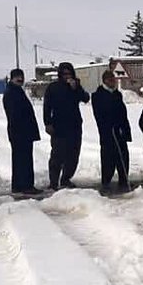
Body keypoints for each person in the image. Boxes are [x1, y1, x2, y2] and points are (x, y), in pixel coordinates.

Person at [43, 61, 89, 189]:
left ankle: (66, 178)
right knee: (57, 155)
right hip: (58, 126)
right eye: (64, 74)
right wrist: (47, 123)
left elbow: (85, 98)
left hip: (74, 125)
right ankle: (53, 182)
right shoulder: (53, 87)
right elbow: (47, 107)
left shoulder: (76, 86)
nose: (67, 76)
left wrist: (76, 88)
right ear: (60, 74)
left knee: (73, 155)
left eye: (69, 73)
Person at [91, 69, 132, 193]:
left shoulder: (117, 94)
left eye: (113, 79)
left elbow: (122, 113)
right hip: (108, 131)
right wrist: (109, 127)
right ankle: (106, 182)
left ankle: (123, 180)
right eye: (110, 80)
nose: (113, 82)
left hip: (120, 130)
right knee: (108, 156)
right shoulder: (98, 95)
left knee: (123, 155)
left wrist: (125, 129)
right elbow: (99, 114)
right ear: (104, 81)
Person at [2, 68, 41, 195]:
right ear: (12, 78)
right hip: (20, 132)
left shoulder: (16, 91)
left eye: (22, 77)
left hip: (21, 131)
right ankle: (25, 185)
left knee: (20, 159)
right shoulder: (12, 93)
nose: (20, 79)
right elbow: (15, 114)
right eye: (17, 77)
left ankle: (18, 185)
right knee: (24, 160)